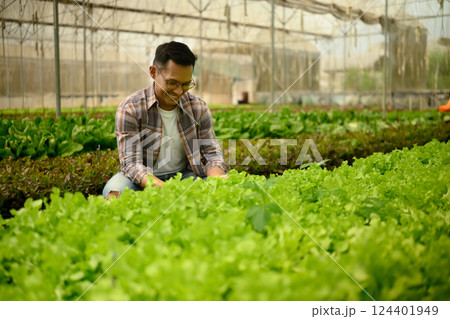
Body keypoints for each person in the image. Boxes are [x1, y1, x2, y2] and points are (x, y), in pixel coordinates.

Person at [103, 41, 229, 200]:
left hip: (184, 176)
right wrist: (167, 190)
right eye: (171, 83)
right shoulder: (130, 108)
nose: (178, 91)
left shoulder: (198, 108)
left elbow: (212, 154)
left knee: (222, 189)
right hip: (140, 179)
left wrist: (217, 179)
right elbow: (132, 164)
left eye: (185, 84)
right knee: (115, 194)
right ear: (153, 72)